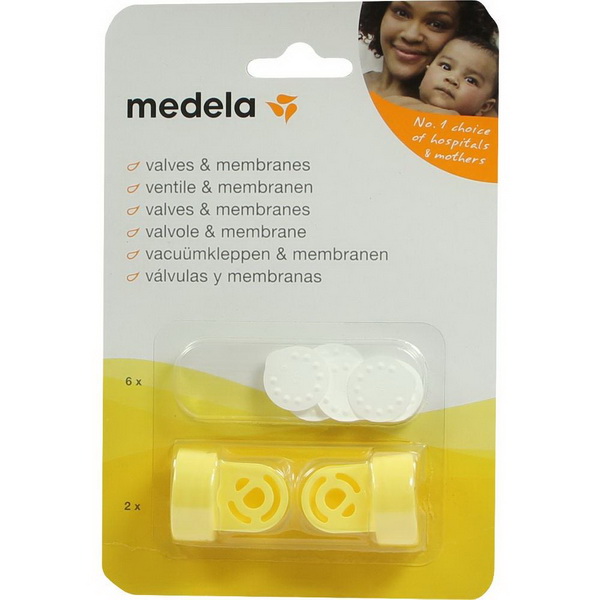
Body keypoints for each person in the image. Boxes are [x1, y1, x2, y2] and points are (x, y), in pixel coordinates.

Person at [359, 1, 497, 109]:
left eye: (436, 24)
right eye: (402, 13)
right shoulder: (351, 83)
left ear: (463, 33)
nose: (411, 35)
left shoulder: (474, 121)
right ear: (380, 13)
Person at [417, 36, 498, 115]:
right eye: (446, 67)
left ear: (484, 106)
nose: (452, 79)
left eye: (470, 80)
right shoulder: (409, 105)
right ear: (426, 72)